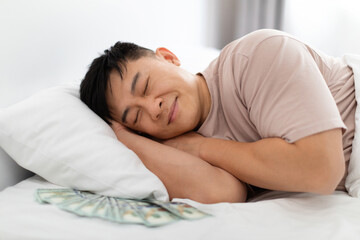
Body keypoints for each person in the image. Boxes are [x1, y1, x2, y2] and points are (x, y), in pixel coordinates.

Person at [80, 29, 356, 203]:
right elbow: (221, 194)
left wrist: (200, 147)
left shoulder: (256, 55)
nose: (154, 108)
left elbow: (321, 169)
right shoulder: (178, 142)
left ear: (168, 57)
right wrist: (124, 138)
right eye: (137, 117)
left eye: (146, 86)